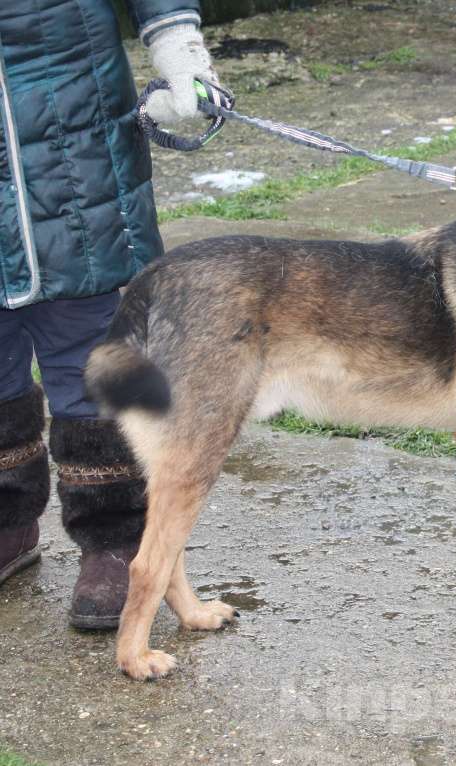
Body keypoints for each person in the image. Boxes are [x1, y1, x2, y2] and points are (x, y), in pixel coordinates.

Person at [0, 0, 225, 629]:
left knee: (89, 350)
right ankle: (8, 523)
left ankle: (115, 540)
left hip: (71, 133)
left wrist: (179, 47)